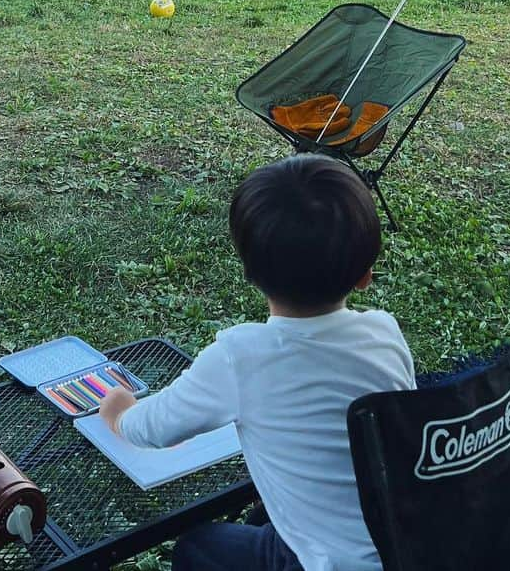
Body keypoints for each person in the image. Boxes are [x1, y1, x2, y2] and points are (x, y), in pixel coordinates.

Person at [98, 155, 415, 571]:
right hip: (408, 543)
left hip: (326, 561)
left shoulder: (240, 357)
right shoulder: (384, 331)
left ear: (249, 271)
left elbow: (153, 429)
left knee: (200, 547)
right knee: (262, 517)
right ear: (365, 275)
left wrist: (119, 413)